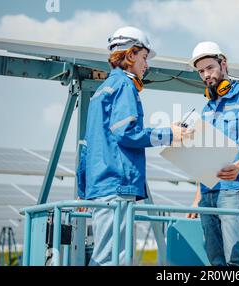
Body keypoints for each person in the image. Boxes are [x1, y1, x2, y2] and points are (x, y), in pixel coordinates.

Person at [76, 26, 192, 266]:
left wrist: (84, 191)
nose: (146, 65)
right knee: (113, 258)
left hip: (101, 189)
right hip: (117, 186)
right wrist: (169, 134)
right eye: (144, 57)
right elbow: (127, 133)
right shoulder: (124, 86)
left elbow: (87, 148)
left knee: (108, 254)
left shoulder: (100, 92)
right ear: (131, 55)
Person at [186, 41, 239, 266]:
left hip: (233, 189)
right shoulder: (207, 108)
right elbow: (204, 156)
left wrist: (238, 167)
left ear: (223, 64)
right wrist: (197, 198)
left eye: (210, 68)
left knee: (235, 261)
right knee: (216, 262)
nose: (205, 76)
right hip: (208, 192)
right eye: (201, 72)